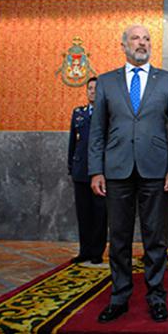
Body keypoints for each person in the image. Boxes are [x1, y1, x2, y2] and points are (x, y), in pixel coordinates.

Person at [89, 25, 168, 324]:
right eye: (135, 39)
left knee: (155, 237)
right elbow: (97, 131)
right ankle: (119, 297)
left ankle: (156, 296)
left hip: (156, 169)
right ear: (123, 45)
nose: (141, 43)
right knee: (118, 237)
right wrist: (95, 170)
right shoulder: (106, 82)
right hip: (116, 170)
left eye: (146, 39)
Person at [68, 77, 107, 265]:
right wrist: (71, 166)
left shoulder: (108, 114)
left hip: (101, 173)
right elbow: (72, 143)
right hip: (81, 170)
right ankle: (84, 250)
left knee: (100, 214)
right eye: (90, 88)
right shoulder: (78, 114)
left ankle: (97, 251)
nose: (93, 91)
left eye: (96, 89)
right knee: (83, 214)